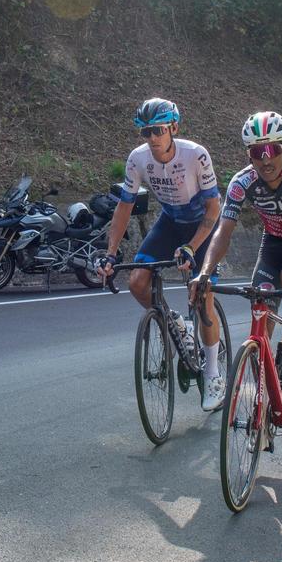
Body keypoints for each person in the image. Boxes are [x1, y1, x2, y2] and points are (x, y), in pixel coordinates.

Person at [97, 98, 224, 412]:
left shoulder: (196, 154)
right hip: (170, 221)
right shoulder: (138, 159)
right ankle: (176, 323)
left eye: (157, 130)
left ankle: (213, 373)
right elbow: (124, 206)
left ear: (173, 128)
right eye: (145, 132)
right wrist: (111, 254)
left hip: (203, 226)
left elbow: (213, 208)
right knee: (138, 282)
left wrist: (193, 247)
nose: (151, 137)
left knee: (202, 292)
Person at [193, 111, 282, 390]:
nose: (265, 158)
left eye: (273, 150)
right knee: (261, 305)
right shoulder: (242, 182)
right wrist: (205, 273)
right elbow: (223, 231)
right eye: (257, 151)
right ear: (249, 154)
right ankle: (264, 388)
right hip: (274, 241)